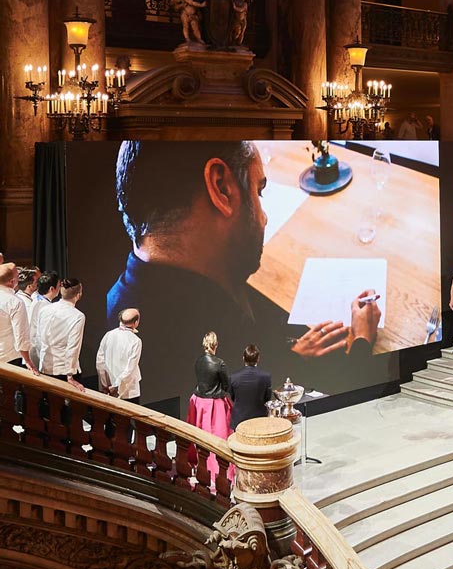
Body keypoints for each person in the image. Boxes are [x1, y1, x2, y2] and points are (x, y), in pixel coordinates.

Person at [107, 141, 382, 412]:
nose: (263, 218)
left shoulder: (129, 300)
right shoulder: (214, 343)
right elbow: (343, 402)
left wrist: (289, 351)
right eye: (258, 192)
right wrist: (361, 340)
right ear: (222, 188)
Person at [187, 331, 232, 480]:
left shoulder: (198, 361)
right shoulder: (219, 363)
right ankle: (216, 468)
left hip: (198, 402)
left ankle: (198, 463)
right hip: (214, 405)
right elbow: (226, 385)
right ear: (216, 345)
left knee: (199, 433)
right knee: (217, 436)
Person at [37, 277, 85, 391]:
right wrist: (70, 375)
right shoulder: (77, 316)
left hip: (45, 366)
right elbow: (73, 347)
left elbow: (39, 337)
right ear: (78, 294)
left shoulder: (45, 309)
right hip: (63, 370)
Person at [96, 308, 143, 403]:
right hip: (128, 392)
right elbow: (130, 369)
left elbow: (100, 362)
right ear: (136, 322)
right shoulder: (135, 341)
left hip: (107, 390)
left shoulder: (108, 335)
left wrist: (105, 384)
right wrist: (116, 387)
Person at [0, 263, 39, 372]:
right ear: (11, 282)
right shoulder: (15, 301)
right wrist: (27, 360)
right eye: (17, 277)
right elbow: (21, 335)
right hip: (8, 357)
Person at [229, 344, 273, 431]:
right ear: (258, 358)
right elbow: (267, 398)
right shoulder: (266, 377)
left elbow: (233, 397)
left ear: (243, 358)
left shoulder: (233, 377)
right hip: (260, 419)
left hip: (239, 421)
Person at [29, 271, 60, 369]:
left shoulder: (37, 299)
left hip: (35, 349)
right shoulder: (45, 307)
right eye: (59, 285)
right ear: (52, 288)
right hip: (38, 351)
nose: (60, 288)